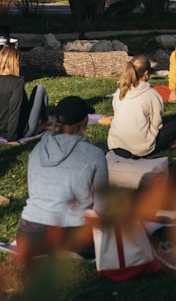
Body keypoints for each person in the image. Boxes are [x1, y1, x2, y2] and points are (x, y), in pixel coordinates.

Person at [15, 96, 108, 259]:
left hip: (28, 235)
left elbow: (34, 193)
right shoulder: (94, 155)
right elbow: (101, 207)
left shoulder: (37, 150)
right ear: (85, 120)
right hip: (72, 236)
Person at [108, 56, 176, 157]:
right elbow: (157, 124)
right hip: (140, 148)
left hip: (115, 144)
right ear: (146, 73)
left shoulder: (120, 91)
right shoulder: (151, 94)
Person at [0, 46, 48, 142]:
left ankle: (42, 122)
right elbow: (14, 112)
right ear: (16, 62)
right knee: (40, 89)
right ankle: (46, 120)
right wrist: (12, 139)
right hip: (22, 131)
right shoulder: (17, 82)